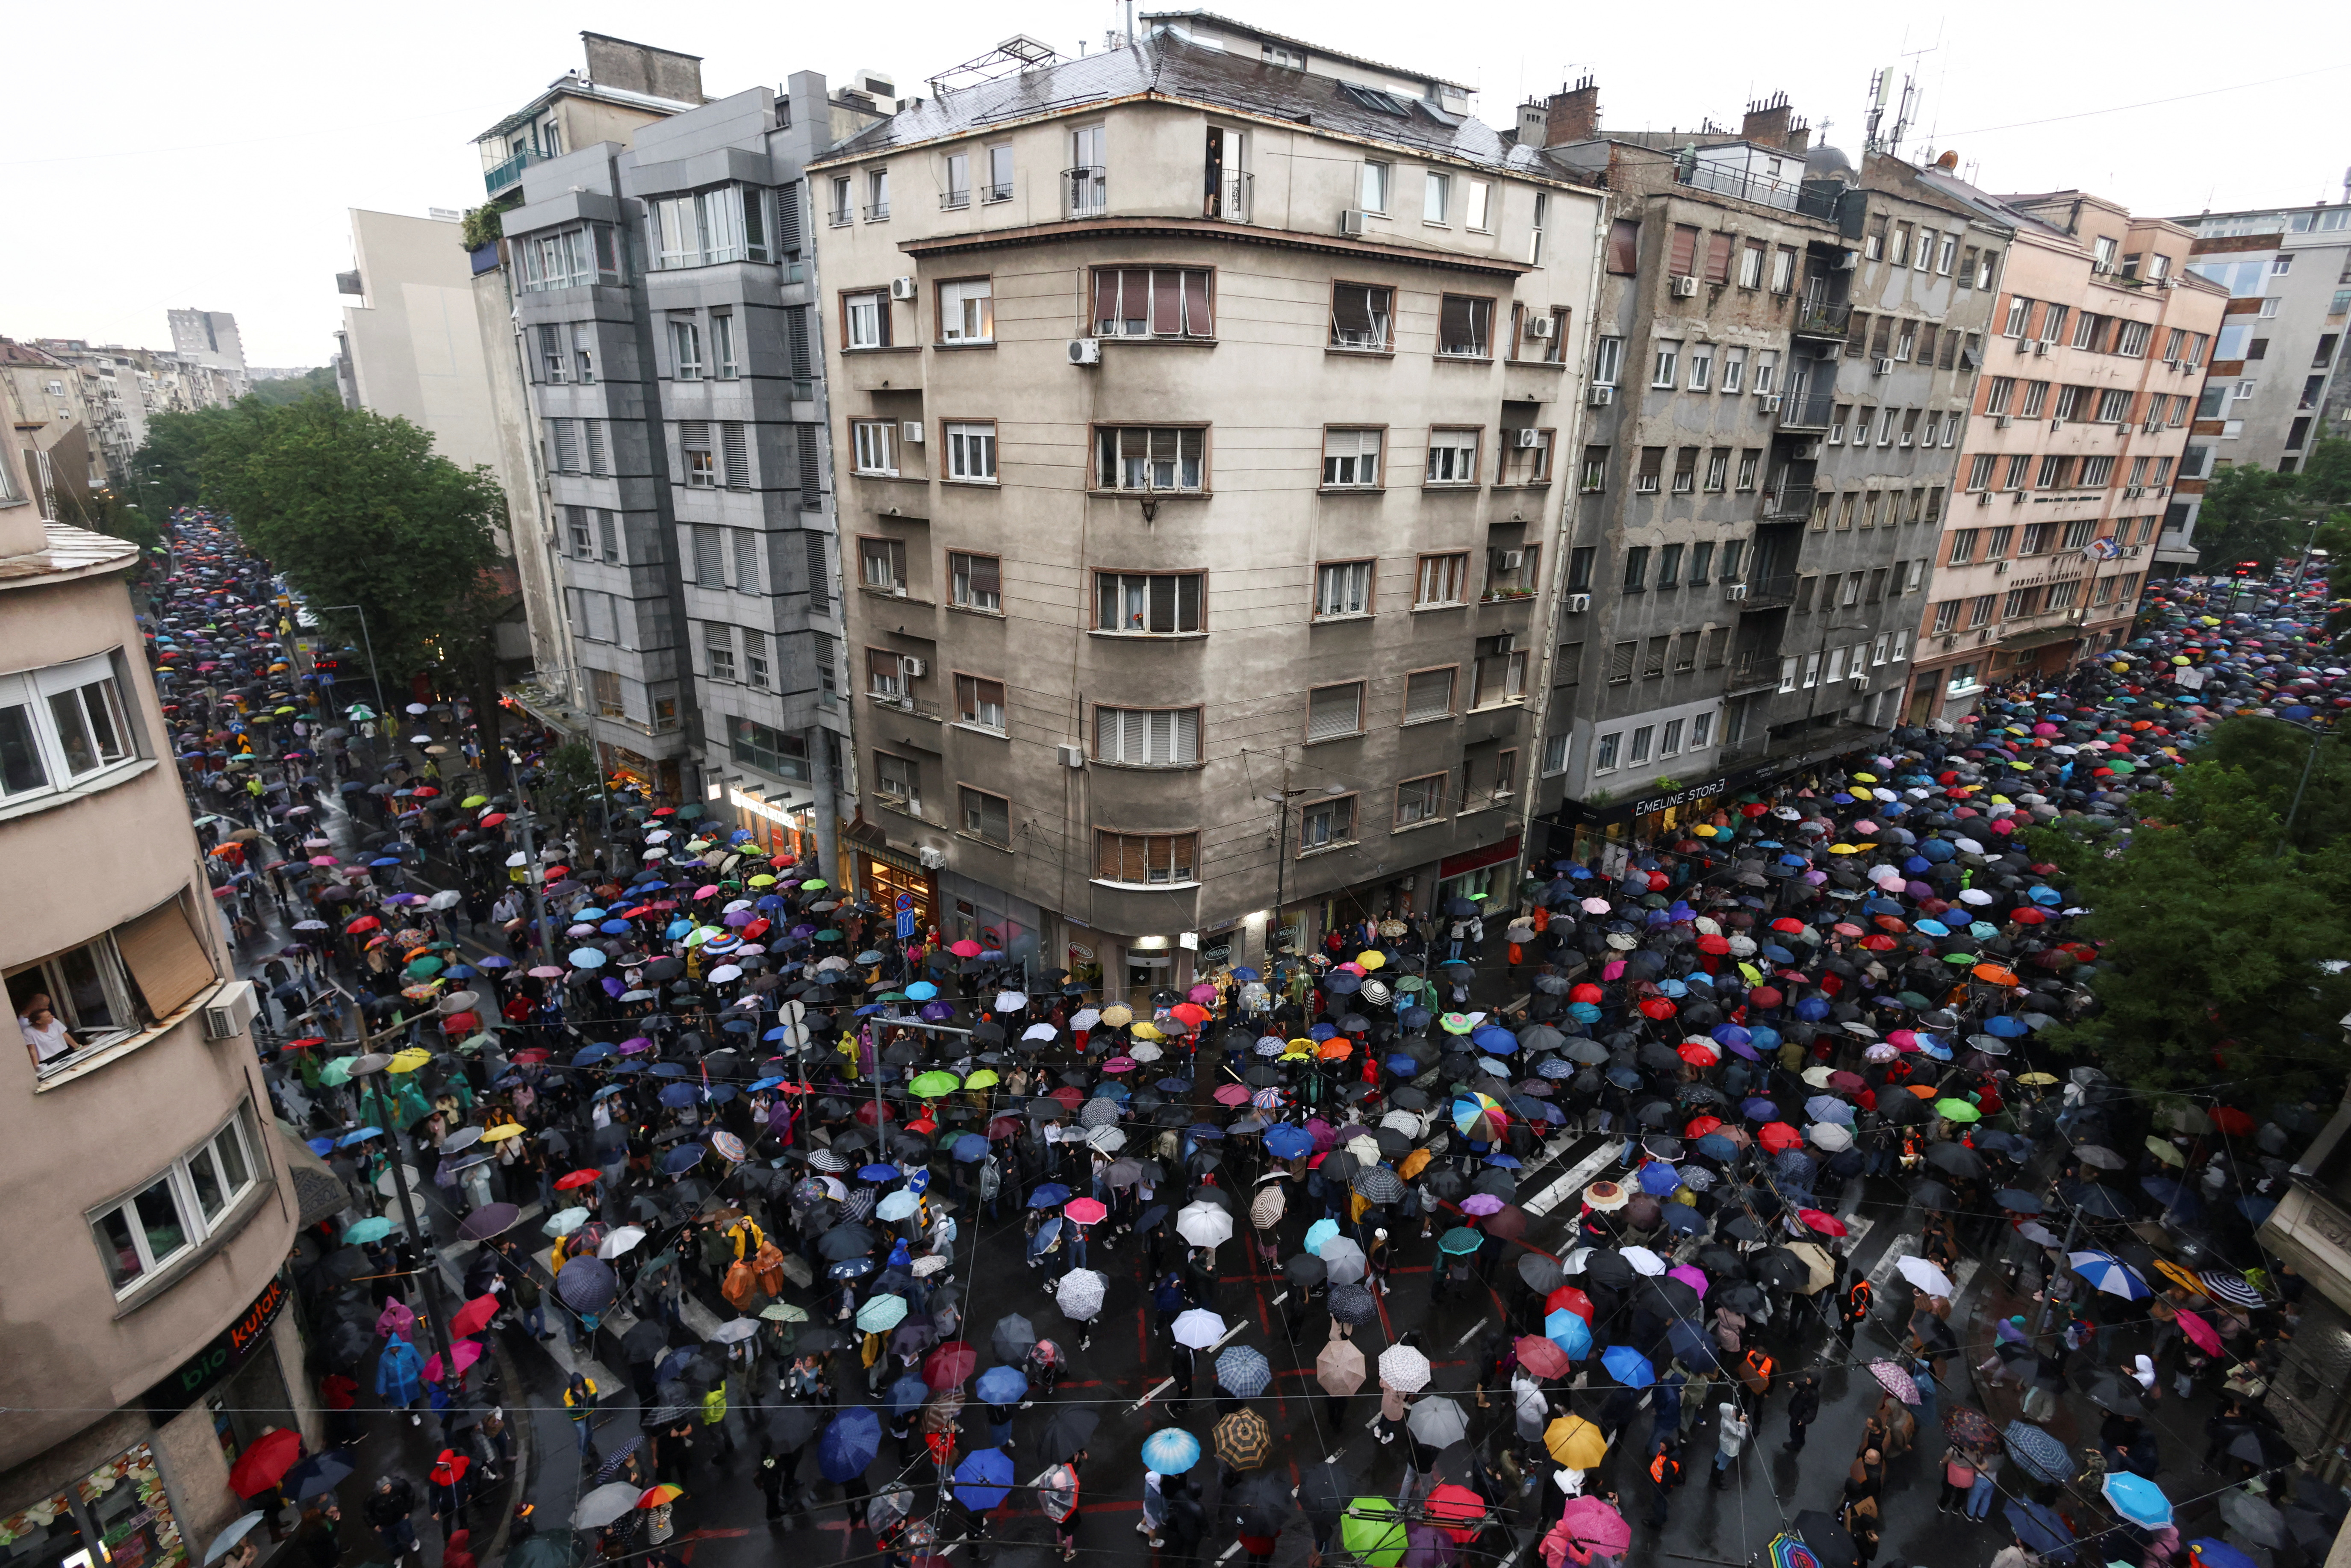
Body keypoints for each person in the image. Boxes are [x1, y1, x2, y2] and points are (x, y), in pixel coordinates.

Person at [1038, 1453, 1083, 1563]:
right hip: (1066, 1516)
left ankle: (1059, 1545)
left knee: (1060, 1529)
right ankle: (1068, 1553)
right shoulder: (1066, 1495)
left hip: (1057, 1517)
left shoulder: (1052, 1493)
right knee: (1069, 1534)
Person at [365, 1475, 420, 1564]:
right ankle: (398, 1556)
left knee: (408, 1533)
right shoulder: (372, 1499)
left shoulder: (399, 1485)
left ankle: (413, 1542)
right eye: (384, 1490)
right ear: (379, 1490)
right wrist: (374, 1525)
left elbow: (410, 1494)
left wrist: (408, 1510)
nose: (388, 1491)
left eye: (389, 1487)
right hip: (385, 1526)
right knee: (392, 1544)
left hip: (401, 1519)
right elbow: (367, 1513)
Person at [17, 997, 78, 1066]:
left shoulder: (54, 1022)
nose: (52, 1017)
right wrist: (37, 1066)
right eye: (48, 1017)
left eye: (50, 1014)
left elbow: (64, 1035)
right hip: (49, 1060)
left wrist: (78, 1047)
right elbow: (32, 1050)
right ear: (39, 1022)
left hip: (65, 1052)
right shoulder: (28, 1032)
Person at [1711, 1400, 1748, 1490]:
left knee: (1719, 1456)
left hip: (1724, 1441)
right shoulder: (1728, 1424)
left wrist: (1740, 1423)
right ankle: (1717, 1482)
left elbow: (1734, 1424)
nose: (1735, 1412)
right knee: (1723, 1463)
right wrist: (1742, 1424)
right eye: (1732, 1411)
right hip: (1731, 1445)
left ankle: (1714, 1474)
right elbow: (1742, 1436)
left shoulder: (1726, 1419)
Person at [1644, 1439, 1682, 1528]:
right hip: (1659, 1483)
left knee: (1659, 1503)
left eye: (1663, 1447)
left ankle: (1657, 1523)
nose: (1661, 1448)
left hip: (1660, 1486)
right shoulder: (1668, 1453)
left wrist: (1661, 1489)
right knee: (1662, 1500)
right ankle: (1663, 1516)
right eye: (1661, 1446)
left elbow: (1667, 1480)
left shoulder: (1669, 1463)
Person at [1781, 1373, 1820, 1453]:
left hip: (1799, 1416)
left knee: (1795, 1430)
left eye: (1810, 1379)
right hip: (1798, 1414)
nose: (1807, 1379)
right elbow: (1802, 1385)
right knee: (1801, 1430)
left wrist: (1804, 1420)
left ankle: (1794, 1445)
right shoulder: (1808, 1387)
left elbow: (1812, 1411)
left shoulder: (1813, 1395)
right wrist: (1795, 1384)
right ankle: (1801, 1442)